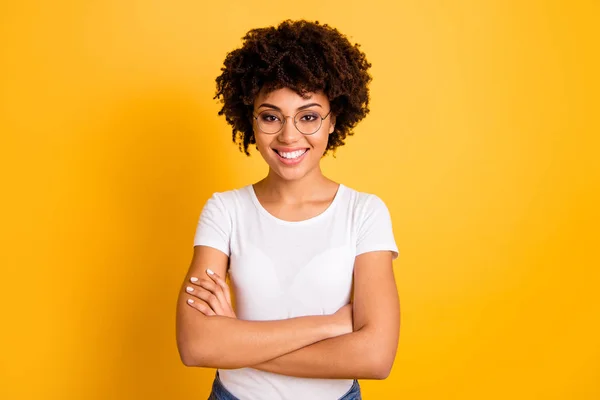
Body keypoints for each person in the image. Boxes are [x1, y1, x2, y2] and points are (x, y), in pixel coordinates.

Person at [176, 19, 400, 400]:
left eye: (308, 116)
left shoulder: (364, 213)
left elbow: (376, 357)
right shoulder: (224, 211)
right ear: (251, 119)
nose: (289, 135)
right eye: (271, 116)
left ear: (333, 120)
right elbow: (196, 345)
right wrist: (328, 325)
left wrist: (236, 343)